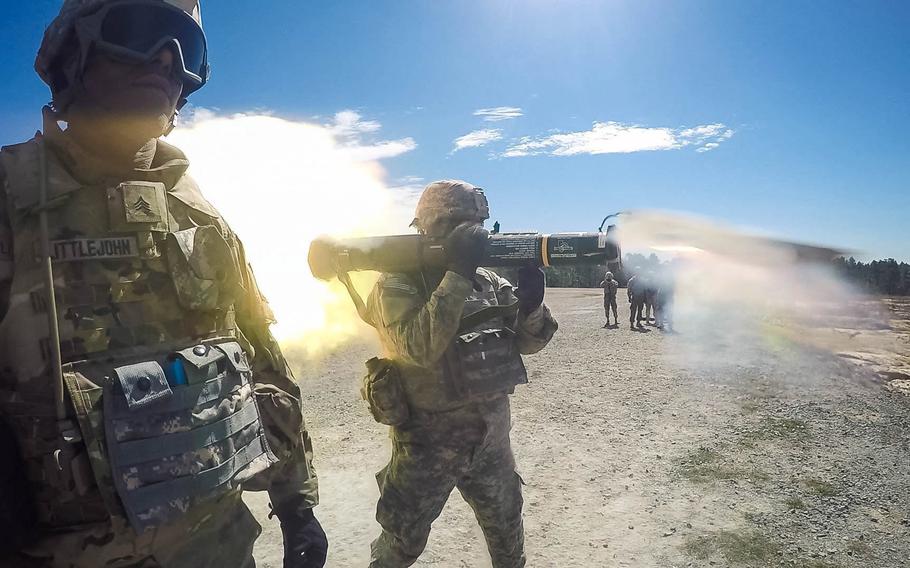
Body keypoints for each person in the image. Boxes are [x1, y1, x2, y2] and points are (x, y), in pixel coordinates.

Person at [0, 2, 326, 567]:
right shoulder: (12, 199)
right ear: (74, 54)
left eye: (185, 49)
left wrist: (297, 501)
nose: (165, 61)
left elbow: (263, 363)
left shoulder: (201, 215)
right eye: (138, 33)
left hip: (218, 544)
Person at [363, 180, 558, 568]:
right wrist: (457, 273)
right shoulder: (397, 283)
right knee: (402, 543)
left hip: (491, 439)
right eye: (463, 224)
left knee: (507, 537)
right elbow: (419, 347)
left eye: (480, 223)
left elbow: (527, 343)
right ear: (432, 224)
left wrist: (532, 306)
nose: (477, 234)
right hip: (428, 443)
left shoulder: (487, 280)